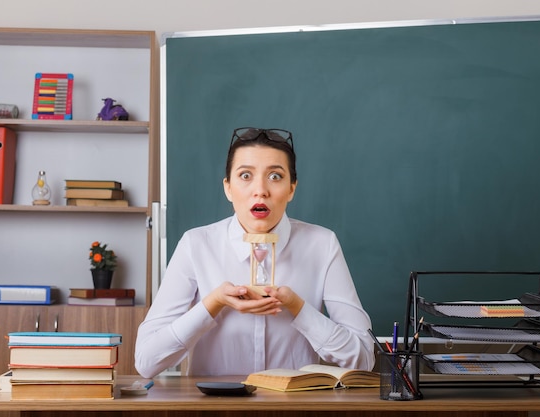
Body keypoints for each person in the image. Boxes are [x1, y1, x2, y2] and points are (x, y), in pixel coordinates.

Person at [135, 127, 374, 377]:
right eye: (246, 175)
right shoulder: (196, 244)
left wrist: (298, 308)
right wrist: (212, 304)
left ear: (291, 189)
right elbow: (146, 362)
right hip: (215, 408)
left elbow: (363, 358)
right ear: (228, 188)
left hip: (295, 408)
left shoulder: (322, 244)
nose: (260, 190)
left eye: (275, 176)